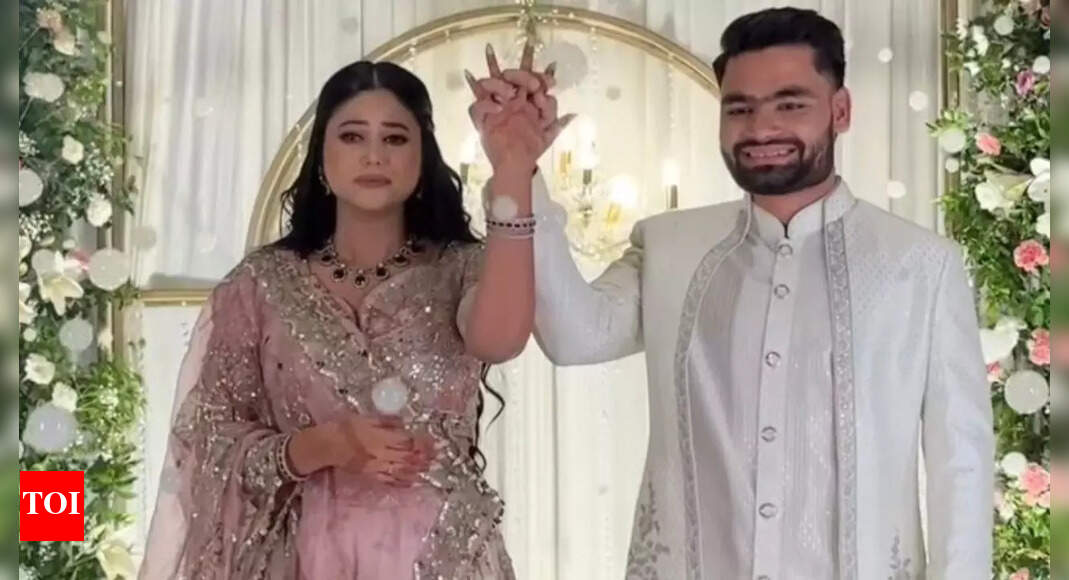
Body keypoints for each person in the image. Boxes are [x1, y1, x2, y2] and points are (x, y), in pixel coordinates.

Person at [469, 7, 993, 579]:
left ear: (840, 111)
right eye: (739, 108)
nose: (761, 129)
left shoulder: (920, 265)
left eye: (790, 105)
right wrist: (517, 170)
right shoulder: (671, 246)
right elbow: (575, 338)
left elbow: (960, 465)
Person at [141, 54, 563, 579]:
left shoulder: (462, 269)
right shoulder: (260, 286)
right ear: (321, 155)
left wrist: (513, 167)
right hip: (301, 561)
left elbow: (499, 341)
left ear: (423, 157)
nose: (374, 155)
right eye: (351, 136)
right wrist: (323, 446)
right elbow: (208, 443)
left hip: (443, 558)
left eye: (395, 138)